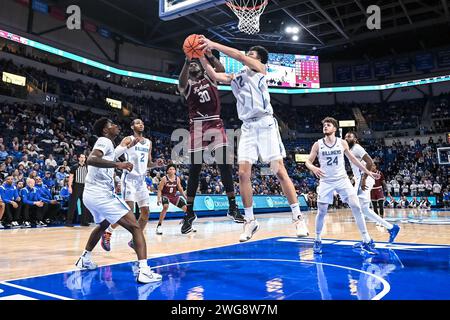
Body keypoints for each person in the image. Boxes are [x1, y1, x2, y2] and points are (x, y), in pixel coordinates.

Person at [198, 38, 308, 242]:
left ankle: (298, 217)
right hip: (247, 126)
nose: (248, 55)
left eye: (252, 54)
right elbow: (213, 75)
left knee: (279, 171)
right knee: (242, 174)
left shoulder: (260, 69)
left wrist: (213, 44)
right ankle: (250, 221)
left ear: (259, 60)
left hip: (265, 123)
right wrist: (200, 56)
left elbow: (239, 56)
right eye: (248, 53)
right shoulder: (237, 75)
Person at [75, 118, 162, 284]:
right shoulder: (104, 140)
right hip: (102, 195)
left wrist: (125, 148)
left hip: (90, 195)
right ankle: (144, 271)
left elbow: (113, 155)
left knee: (102, 225)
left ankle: (84, 259)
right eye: (111, 125)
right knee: (136, 227)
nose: (116, 126)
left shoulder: (110, 146)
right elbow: (91, 160)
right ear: (105, 130)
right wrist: (119, 165)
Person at [178, 50, 244, 235]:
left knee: (224, 164)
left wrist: (207, 56)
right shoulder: (187, 84)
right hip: (197, 126)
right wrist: (185, 61)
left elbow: (221, 70)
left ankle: (232, 206)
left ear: (200, 66)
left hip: (215, 122)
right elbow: (180, 84)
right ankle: (189, 213)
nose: (192, 65)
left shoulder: (210, 77)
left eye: (194, 63)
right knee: (194, 169)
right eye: (190, 64)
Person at [305, 118, 380, 255]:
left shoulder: (342, 142)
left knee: (356, 206)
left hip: (342, 179)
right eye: (324, 125)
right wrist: (313, 168)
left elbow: (353, 159)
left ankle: (367, 240)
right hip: (326, 181)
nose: (325, 127)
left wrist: (369, 172)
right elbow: (307, 161)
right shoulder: (318, 144)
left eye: (328, 125)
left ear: (334, 128)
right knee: (321, 211)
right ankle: (317, 239)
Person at [100, 119, 163, 251]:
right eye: (138, 123)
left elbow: (148, 163)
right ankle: (108, 232)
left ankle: (135, 239)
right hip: (129, 179)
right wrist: (128, 147)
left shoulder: (149, 143)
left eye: (142, 123)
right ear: (132, 126)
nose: (141, 124)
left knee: (145, 213)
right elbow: (114, 154)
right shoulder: (128, 139)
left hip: (141, 180)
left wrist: (156, 164)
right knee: (127, 211)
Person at [344, 132, 400, 243]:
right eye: (345, 136)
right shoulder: (348, 149)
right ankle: (391, 228)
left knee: (356, 208)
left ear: (355, 139)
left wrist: (364, 178)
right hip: (359, 179)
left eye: (349, 136)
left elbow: (370, 162)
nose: (346, 138)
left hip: (363, 179)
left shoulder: (357, 148)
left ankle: (366, 240)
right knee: (364, 210)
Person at [156, 164, 188, 235]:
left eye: (173, 169)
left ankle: (187, 224)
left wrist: (185, 197)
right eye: (170, 169)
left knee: (186, 208)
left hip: (173, 196)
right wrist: (158, 199)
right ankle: (159, 226)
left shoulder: (177, 179)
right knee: (165, 206)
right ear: (167, 171)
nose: (172, 170)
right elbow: (159, 190)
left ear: (175, 171)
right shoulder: (164, 178)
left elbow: (180, 189)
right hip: (165, 195)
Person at [66, 154, 91, 227]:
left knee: (84, 204)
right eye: (81, 157)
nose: (83, 159)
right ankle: (69, 221)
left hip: (85, 186)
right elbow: (71, 177)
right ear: (79, 158)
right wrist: (70, 186)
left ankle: (84, 221)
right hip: (76, 186)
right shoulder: (74, 166)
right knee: (72, 204)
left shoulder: (88, 167)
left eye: (84, 157)